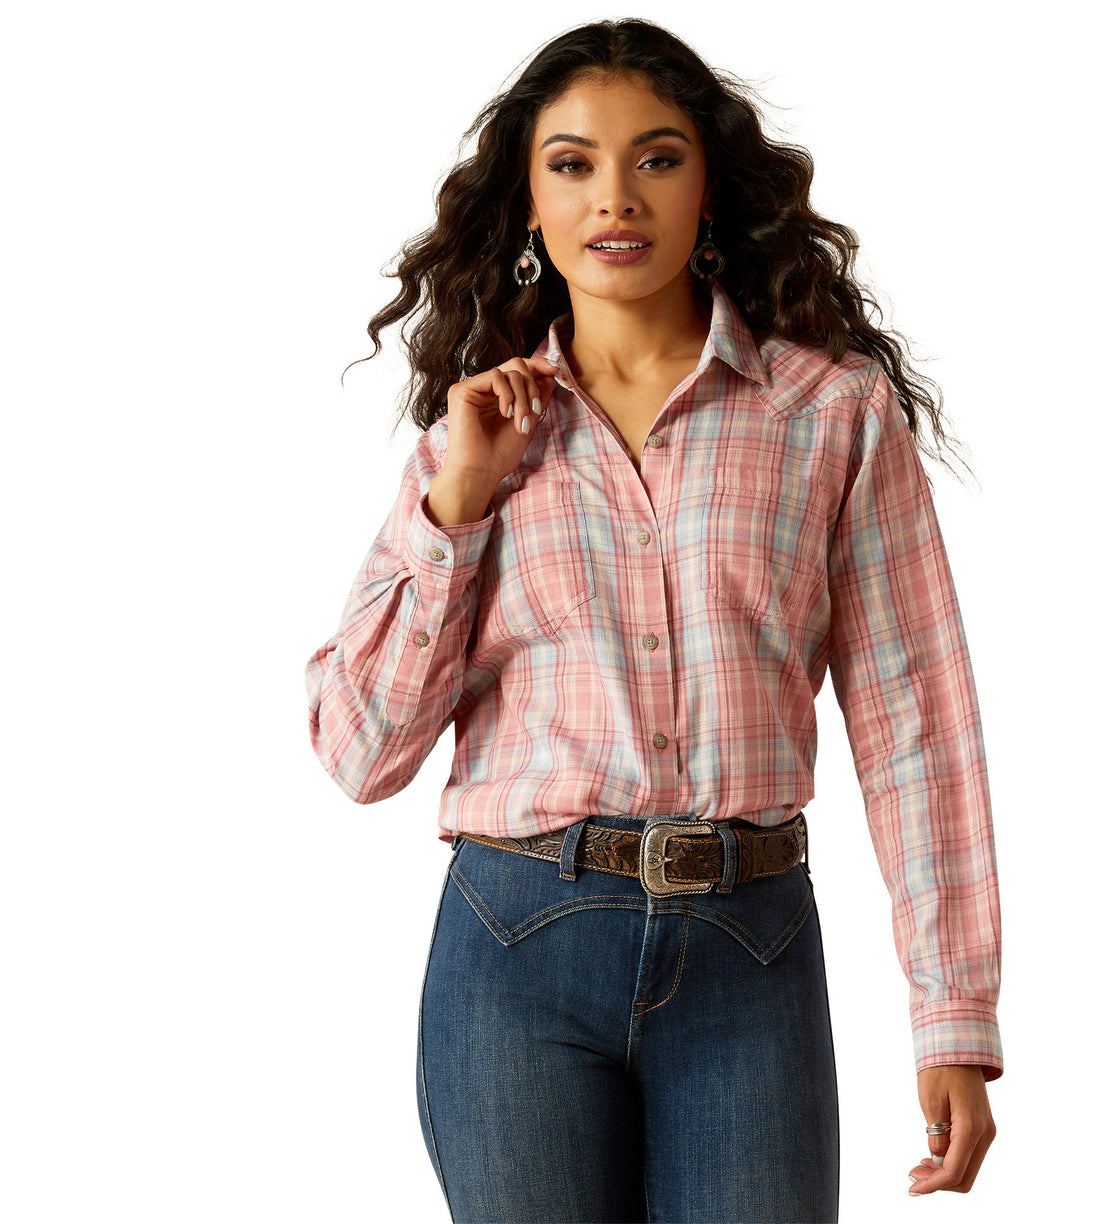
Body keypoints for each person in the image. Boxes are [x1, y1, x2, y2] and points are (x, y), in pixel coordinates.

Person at [304, 17, 1002, 1224]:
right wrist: (457, 505)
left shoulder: (828, 413)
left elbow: (916, 720)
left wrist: (954, 1013)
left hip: (752, 953)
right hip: (515, 950)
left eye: (657, 158)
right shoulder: (467, 440)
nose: (613, 197)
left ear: (709, 184)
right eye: (571, 163)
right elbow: (359, 753)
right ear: (527, 203)